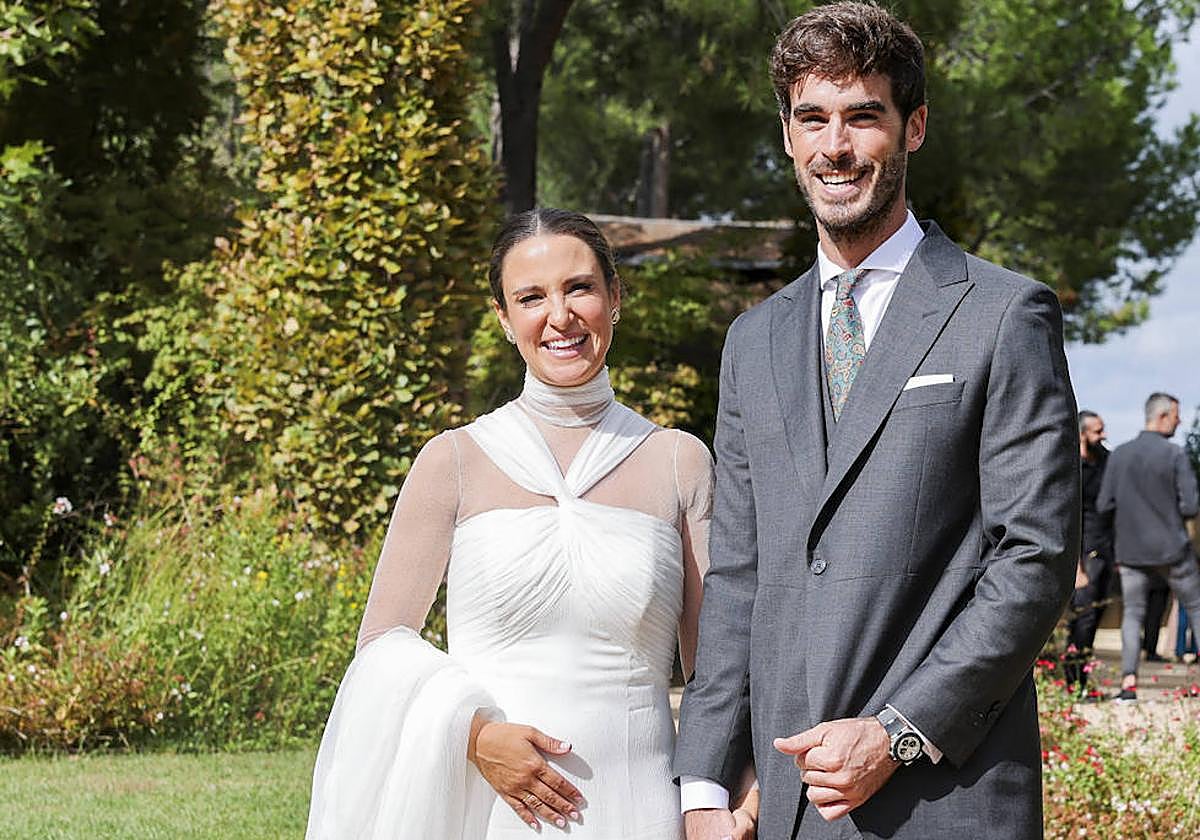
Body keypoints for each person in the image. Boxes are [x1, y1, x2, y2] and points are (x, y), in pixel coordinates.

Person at [673, 4, 1080, 838]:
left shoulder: (1004, 315)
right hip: (783, 806)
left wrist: (896, 734)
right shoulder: (754, 341)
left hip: (944, 799)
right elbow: (739, 576)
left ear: (914, 127)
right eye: (813, 119)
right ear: (787, 135)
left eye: (864, 116)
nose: (837, 146)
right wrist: (706, 787)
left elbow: (1033, 558)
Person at [305, 208, 758, 839]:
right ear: (503, 318)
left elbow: (717, 665)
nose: (560, 316)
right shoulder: (454, 461)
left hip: (641, 807)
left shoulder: (679, 462)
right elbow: (382, 644)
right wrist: (476, 736)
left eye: (579, 288)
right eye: (531, 297)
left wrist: (738, 799)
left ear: (614, 297)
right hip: (493, 810)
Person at [1097, 392, 1200, 703]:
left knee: (1132, 615)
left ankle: (1128, 684)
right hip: (1173, 550)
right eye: (1176, 415)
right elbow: (1191, 505)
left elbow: (1104, 504)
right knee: (1196, 607)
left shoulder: (1120, 455)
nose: (1180, 421)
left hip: (1131, 551)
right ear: (1162, 416)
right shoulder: (1174, 454)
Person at [1065, 410, 1114, 692]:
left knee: (1094, 618)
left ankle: (1083, 680)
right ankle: (1073, 683)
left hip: (1104, 550)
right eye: (1097, 431)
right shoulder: (1070, 467)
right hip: (1081, 555)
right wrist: (1076, 567)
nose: (1103, 435)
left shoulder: (1106, 461)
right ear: (1083, 434)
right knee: (1082, 618)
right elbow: (1068, 519)